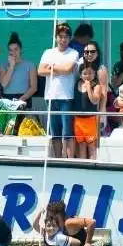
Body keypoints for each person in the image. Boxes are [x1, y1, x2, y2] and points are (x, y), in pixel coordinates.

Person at [37, 22, 80, 158]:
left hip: (66, 97)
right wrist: (58, 68)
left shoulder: (74, 53)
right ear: (56, 37)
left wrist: (52, 68)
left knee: (67, 132)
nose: (63, 40)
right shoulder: (48, 52)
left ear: (70, 38)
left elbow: (68, 70)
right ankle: (57, 158)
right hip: (50, 96)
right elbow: (40, 71)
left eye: (66, 37)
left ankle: (69, 160)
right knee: (55, 132)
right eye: (60, 36)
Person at [0, 32, 38, 131]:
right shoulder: (4, 65)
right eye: (11, 50)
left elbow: (34, 87)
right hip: (8, 100)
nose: (14, 52)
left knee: (23, 130)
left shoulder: (30, 65)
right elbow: (3, 85)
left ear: (20, 50)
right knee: (8, 131)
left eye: (16, 49)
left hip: (23, 99)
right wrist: (11, 66)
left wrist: (20, 100)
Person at [72, 64, 104, 159]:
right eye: (85, 73)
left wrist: (89, 88)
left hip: (90, 120)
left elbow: (95, 101)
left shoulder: (96, 86)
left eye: (90, 73)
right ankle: (83, 168)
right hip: (78, 120)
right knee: (81, 146)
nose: (87, 76)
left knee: (91, 146)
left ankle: (92, 167)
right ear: (80, 75)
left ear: (94, 74)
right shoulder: (77, 83)